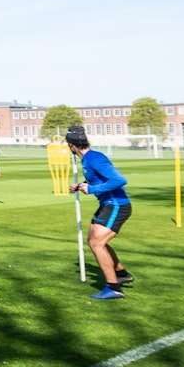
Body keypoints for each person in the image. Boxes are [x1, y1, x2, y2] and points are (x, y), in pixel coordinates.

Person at [67, 126, 134, 300]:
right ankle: (121, 273)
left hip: (117, 205)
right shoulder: (86, 160)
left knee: (97, 243)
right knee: (94, 240)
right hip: (107, 204)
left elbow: (119, 180)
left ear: (71, 145)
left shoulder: (95, 158)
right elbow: (97, 179)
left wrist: (92, 189)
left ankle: (114, 288)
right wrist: (81, 185)